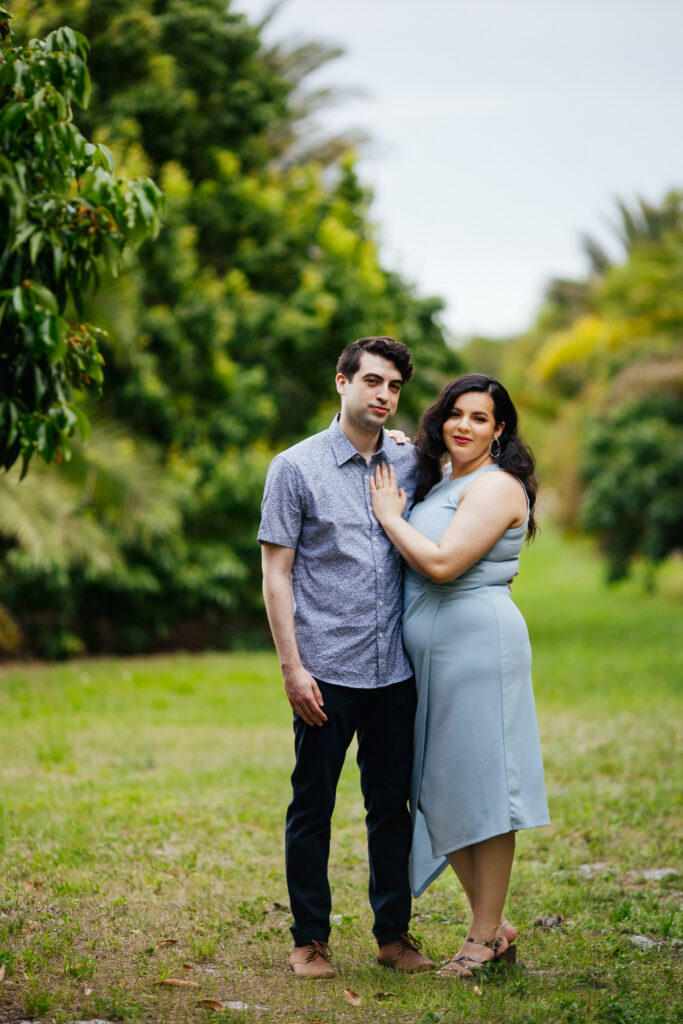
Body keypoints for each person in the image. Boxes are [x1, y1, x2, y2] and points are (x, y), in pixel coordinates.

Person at [258, 337, 436, 979]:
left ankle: (394, 936)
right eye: (372, 381)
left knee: (392, 809)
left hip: (396, 672)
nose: (384, 395)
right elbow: (276, 575)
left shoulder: (413, 464)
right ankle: (310, 939)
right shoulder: (295, 468)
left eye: (393, 386)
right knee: (312, 807)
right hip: (325, 673)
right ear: (342, 383)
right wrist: (292, 668)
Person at [369, 373, 550, 978]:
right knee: (436, 788)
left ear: (500, 430)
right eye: (456, 413)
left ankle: (480, 936)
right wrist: (397, 447)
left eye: (480, 418)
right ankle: (494, 928)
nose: (464, 425)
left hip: (477, 651)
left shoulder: (498, 487)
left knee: (484, 788)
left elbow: (443, 564)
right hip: (432, 656)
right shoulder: (449, 478)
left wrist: (391, 517)